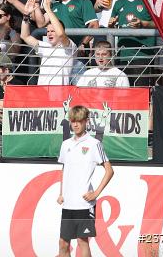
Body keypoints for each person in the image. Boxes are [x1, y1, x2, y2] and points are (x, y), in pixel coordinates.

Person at [57, 105, 114, 257]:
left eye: (79, 121)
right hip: (68, 203)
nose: (75, 124)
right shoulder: (66, 144)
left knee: (82, 242)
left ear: (86, 122)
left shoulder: (94, 144)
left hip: (84, 204)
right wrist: (61, 193)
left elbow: (109, 171)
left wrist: (95, 193)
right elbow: (64, 169)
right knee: (63, 243)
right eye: (73, 121)